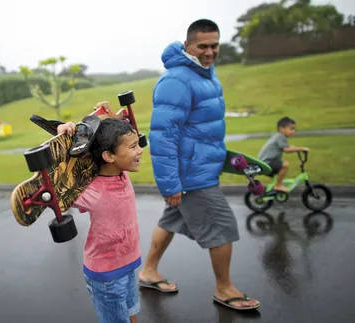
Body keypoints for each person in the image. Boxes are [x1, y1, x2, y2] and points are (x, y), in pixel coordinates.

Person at [137, 19, 261, 311]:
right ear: (188, 45)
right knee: (222, 226)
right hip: (192, 175)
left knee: (171, 220)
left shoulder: (204, 74)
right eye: (202, 46)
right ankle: (224, 289)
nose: (209, 51)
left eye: (214, 45)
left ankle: (148, 271)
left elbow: (201, 127)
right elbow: (163, 136)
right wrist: (170, 184)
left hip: (201, 166)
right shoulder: (177, 80)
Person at [56, 101, 144, 323]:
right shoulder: (91, 191)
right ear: (109, 157)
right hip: (106, 276)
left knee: (132, 311)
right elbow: (61, 189)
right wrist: (63, 138)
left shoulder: (121, 173)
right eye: (133, 147)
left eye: (137, 144)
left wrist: (109, 117)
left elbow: (111, 139)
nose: (140, 150)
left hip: (128, 263)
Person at [258, 116, 309, 192]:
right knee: (285, 164)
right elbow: (286, 149)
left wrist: (294, 148)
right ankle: (278, 185)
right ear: (281, 129)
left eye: (294, 129)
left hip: (266, 162)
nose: (293, 131)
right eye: (291, 129)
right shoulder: (280, 137)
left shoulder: (278, 136)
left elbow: (286, 147)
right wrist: (301, 148)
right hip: (267, 163)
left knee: (283, 164)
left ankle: (278, 184)